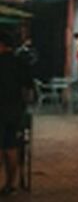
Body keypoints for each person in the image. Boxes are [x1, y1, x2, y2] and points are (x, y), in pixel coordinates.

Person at [0, 30, 33, 196]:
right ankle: (10, 184)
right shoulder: (20, 62)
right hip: (15, 111)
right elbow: (29, 88)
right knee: (11, 147)